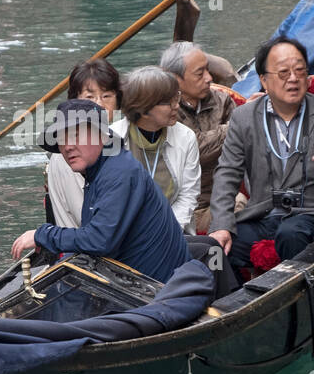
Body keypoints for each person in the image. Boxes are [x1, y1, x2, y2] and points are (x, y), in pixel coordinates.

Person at [207, 35, 314, 270]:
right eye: (284, 73)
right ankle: (231, 304)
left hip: (312, 212)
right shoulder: (243, 117)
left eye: (300, 71)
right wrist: (221, 225)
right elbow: (227, 174)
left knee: (290, 234)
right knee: (220, 248)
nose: (294, 79)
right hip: (263, 214)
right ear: (264, 81)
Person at [11, 100, 193, 284]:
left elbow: (99, 241)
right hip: (140, 283)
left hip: (159, 292)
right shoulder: (101, 170)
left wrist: (42, 234)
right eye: (62, 140)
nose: (68, 147)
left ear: (103, 137)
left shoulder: (119, 172)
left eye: (76, 136)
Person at [160, 42, 239, 233]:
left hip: (223, 196)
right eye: (199, 73)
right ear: (175, 79)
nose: (209, 78)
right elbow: (193, 148)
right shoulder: (162, 111)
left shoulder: (222, 101)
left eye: (208, 70)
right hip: (185, 209)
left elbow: (241, 145)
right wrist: (234, 128)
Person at [114, 67, 201, 232]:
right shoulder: (112, 139)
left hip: (172, 229)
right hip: (125, 233)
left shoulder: (186, 137)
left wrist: (164, 231)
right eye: (169, 102)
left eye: (177, 98)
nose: (177, 106)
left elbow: (188, 196)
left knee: (211, 248)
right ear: (144, 110)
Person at [46, 60, 122, 226]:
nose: (100, 104)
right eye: (89, 97)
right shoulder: (66, 155)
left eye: (107, 96)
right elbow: (87, 219)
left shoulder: (120, 139)